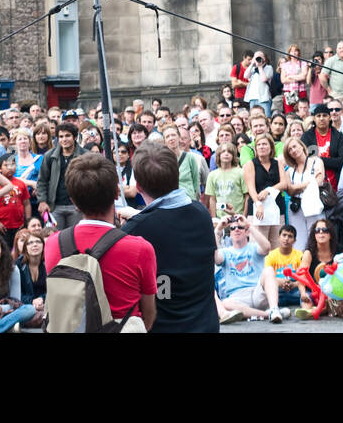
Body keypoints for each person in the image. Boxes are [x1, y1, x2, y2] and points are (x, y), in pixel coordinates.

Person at [41, 152, 158, 328]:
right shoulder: (140, 247)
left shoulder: (52, 244)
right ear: (118, 193)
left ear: (74, 202)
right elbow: (149, 313)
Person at [121, 142, 217, 333]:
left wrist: (136, 221)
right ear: (177, 176)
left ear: (138, 186)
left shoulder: (136, 230)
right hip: (205, 324)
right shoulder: (201, 214)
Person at [215, 215, 286, 324]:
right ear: (230, 234)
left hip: (257, 292)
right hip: (237, 297)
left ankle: (274, 309)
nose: (236, 230)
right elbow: (215, 257)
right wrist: (219, 229)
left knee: (269, 270)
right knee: (224, 304)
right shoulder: (225, 252)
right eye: (232, 228)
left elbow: (267, 247)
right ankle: (268, 314)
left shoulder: (254, 247)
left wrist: (249, 225)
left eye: (240, 227)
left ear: (246, 232)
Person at [37, 121, 82, 230]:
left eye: (68, 136)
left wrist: (85, 203)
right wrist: (42, 201)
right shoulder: (49, 156)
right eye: (61, 136)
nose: (64, 139)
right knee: (54, 239)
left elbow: (92, 182)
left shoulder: (85, 155)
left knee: (76, 240)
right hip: (54, 207)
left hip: (77, 207)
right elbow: (42, 181)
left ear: (75, 137)